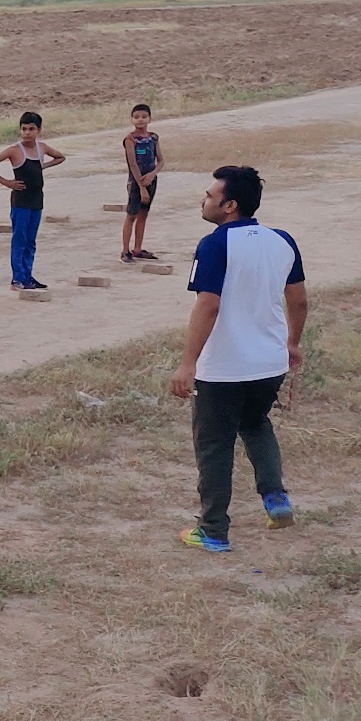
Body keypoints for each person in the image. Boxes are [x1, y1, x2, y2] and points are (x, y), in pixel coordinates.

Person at [171, 166, 305, 553]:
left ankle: (213, 529)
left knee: (214, 445)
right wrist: (292, 343)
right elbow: (298, 299)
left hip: (225, 367)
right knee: (257, 424)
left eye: (210, 195)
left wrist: (187, 362)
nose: (205, 199)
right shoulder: (282, 240)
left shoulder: (214, 244)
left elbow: (208, 305)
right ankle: (275, 497)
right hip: (269, 362)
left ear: (229, 206)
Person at [0, 112, 68, 290]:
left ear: (39, 130)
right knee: (19, 240)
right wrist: (7, 182)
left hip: (37, 200)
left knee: (31, 241)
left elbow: (60, 157)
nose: (27, 133)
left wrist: (44, 166)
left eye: (31, 129)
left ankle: (28, 276)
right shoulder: (14, 150)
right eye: (24, 129)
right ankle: (17, 278)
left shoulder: (42, 148)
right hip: (21, 201)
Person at [121, 103, 164, 264]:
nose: (140, 120)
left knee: (143, 215)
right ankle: (125, 251)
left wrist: (152, 175)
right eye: (136, 117)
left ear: (150, 119)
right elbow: (133, 164)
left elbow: (160, 161)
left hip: (151, 180)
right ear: (132, 119)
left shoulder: (153, 138)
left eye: (144, 117)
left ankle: (138, 248)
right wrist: (142, 186)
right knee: (131, 215)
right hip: (136, 182)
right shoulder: (130, 139)